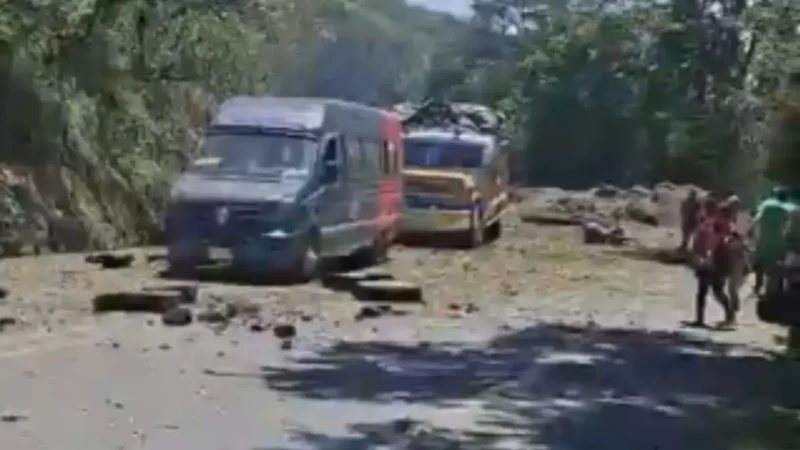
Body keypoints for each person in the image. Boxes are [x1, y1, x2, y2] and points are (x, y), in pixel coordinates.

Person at [687, 197, 735, 328]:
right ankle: (728, 316)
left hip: (713, 261)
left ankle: (701, 319)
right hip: (716, 260)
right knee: (715, 290)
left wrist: (707, 258)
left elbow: (713, 241)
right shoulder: (718, 223)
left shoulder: (716, 224)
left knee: (708, 290)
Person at [751, 187, 793, 297]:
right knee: (779, 263)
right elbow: (787, 225)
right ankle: (779, 288)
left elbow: (756, 221)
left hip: (764, 238)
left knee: (760, 263)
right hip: (779, 239)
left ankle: (758, 286)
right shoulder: (785, 208)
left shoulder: (765, 205)